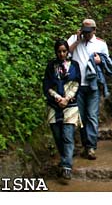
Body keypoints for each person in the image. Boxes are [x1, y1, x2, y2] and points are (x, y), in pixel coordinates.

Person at [67, 19, 110, 161]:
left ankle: (91, 146)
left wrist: (100, 61)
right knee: (81, 117)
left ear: (94, 30)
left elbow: (107, 63)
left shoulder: (101, 44)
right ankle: (84, 144)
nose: (86, 35)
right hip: (77, 85)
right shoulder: (74, 39)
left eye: (88, 32)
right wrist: (77, 41)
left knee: (92, 115)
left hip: (93, 84)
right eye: (84, 31)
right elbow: (65, 54)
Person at [43, 40, 81, 181]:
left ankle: (66, 167)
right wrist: (58, 98)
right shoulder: (51, 66)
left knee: (67, 136)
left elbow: (76, 83)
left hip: (70, 105)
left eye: (64, 51)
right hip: (54, 105)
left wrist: (67, 98)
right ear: (56, 52)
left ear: (67, 51)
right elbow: (47, 85)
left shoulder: (74, 65)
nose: (62, 54)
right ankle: (65, 157)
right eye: (59, 51)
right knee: (58, 136)